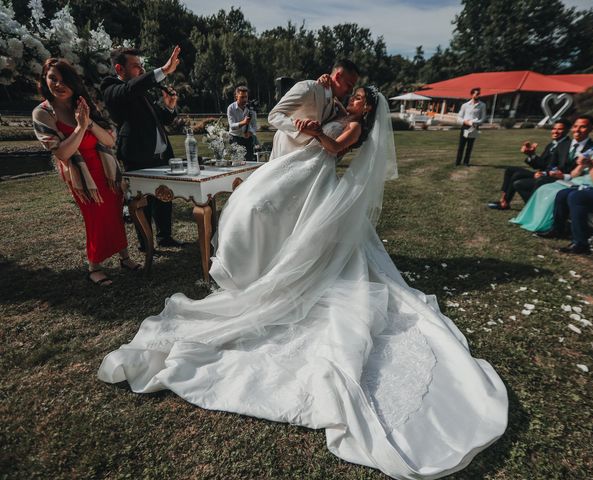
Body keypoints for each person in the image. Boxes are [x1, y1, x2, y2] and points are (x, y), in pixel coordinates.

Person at [98, 87, 507, 480]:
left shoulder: (355, 127)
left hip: (315, 172)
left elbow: (335, 150)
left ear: (368, 108)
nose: (354, 99)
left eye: (360, 98)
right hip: (297, 168)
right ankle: (251, 265)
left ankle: (267, 271)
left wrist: (314, 133)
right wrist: (311, 122)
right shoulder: (338, 112)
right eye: (355, 95)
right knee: (255, 208)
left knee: (275, 218)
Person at [32, 58, 140, 286]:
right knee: (95, 218)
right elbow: (62, 153)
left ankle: (125, 257)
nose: (58, 85)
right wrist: (81, 128)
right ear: (44, 80)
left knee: (114, 214)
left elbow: (109, 140)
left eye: (64, 80)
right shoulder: (42, 113)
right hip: (81, 176)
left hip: (107, 171)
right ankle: (94, 266)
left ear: (74, 83)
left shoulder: (84, 105)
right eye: (53, 78)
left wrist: (88, 122)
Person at [101, 46, 184, 251]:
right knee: (142, 202)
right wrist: (163, 70)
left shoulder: (142, 93)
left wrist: (169, 107)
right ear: (120, 68)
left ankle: (165, 237)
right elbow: (130, 89)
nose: (141, 69)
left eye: (141, 66)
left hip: (161, 156)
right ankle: (146, 245)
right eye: (136, 66)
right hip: (137, 156)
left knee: (165, 197)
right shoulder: (112, 88)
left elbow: (161, 119)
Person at [511, 128, 593, 232]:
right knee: (545, 188)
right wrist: (581, 165)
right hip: (577, 181)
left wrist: (592, 167)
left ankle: (549, 225)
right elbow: (574, 174)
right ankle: (534, 220)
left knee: (555, 193)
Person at [267, 58, 359, 160]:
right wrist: (297, 126)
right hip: (284, 153)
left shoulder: (334, 105)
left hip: (307, 160)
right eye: (349, 85)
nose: (350, 91)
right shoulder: (308, 88)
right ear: (337, 76)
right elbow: (274, 115)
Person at [512, 115, 593, 203]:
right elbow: (551, 165)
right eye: (575, 126)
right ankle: (538, 208)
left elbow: (590, 174)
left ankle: (537, 210)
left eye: (583, 127)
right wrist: (545, 172)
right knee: (519, 184)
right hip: (555, 179)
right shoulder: (562, 145)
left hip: (576, 182)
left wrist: (564, 176)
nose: (577, 130)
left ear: (591, 129)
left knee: (541, 181)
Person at [487, 119, 571, 210]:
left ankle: (507, 203)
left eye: (560, 129)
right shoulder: (552, 144)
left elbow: (558, 167)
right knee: (510, 170)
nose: (555, 131)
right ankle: (503, 200)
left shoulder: (566, 145)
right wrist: (531, 155)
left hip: (550, 177)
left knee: (517, 175)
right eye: (554, 128)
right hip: (542, 173)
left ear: (567, 130)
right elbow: (540, 164)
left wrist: (544, 172)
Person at [455, 87, 486, 166]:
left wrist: (474, 122)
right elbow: (459, 117)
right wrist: (465, 121)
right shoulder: (465, 105)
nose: (477, 95)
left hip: (474, 127)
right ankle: (458, 162)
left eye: (478, 94)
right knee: (461, 145)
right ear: (472, 94)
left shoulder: (482, 105)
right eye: (476, 94)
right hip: (465, 126)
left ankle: (466, 162)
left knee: (469, 146)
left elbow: (483, 118)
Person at [227, 85, 258, 162]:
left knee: (249, 162)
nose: (244, 99)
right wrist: (244, 122)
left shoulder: (251, 108)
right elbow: (232, 126)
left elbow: (254, 125)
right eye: (242, 97)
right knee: (236, 162)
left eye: (246, 97)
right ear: (236, 96)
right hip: (235, 138)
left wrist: (250, 133)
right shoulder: (231, 108)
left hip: (248, 139)